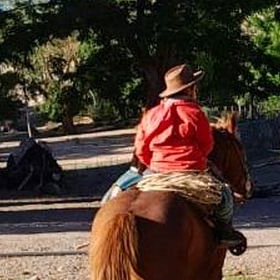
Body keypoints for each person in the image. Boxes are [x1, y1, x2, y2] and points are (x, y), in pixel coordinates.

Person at [105, 64, 247, 255]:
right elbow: (207, 145)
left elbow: (141, 150)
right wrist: (194, 159)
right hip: (190, 172)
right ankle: (224, 233)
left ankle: (102, 233)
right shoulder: (196, 114)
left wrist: (155, 163)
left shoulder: (151, 115)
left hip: (155, 172)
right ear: (190, 89)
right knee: (225, 196)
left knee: (111, 196)